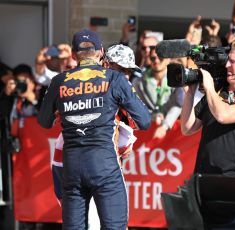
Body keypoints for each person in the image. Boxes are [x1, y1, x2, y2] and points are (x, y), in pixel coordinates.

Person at [38, 29, 151, 229]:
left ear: (73, 55)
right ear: (100, 52)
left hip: (72, 167)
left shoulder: (58, 81)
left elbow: (45, 122)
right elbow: (144, 120)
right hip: (105, 166)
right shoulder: (115, 79)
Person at [181, 39, 235, 229]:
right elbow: (187, 128)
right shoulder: (218, 94)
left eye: (233, 61)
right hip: (203, 182)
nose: (226, 65)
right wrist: (190, 92)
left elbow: (223, 115)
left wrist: (209, 87)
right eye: (227, 60)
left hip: (233, 186)